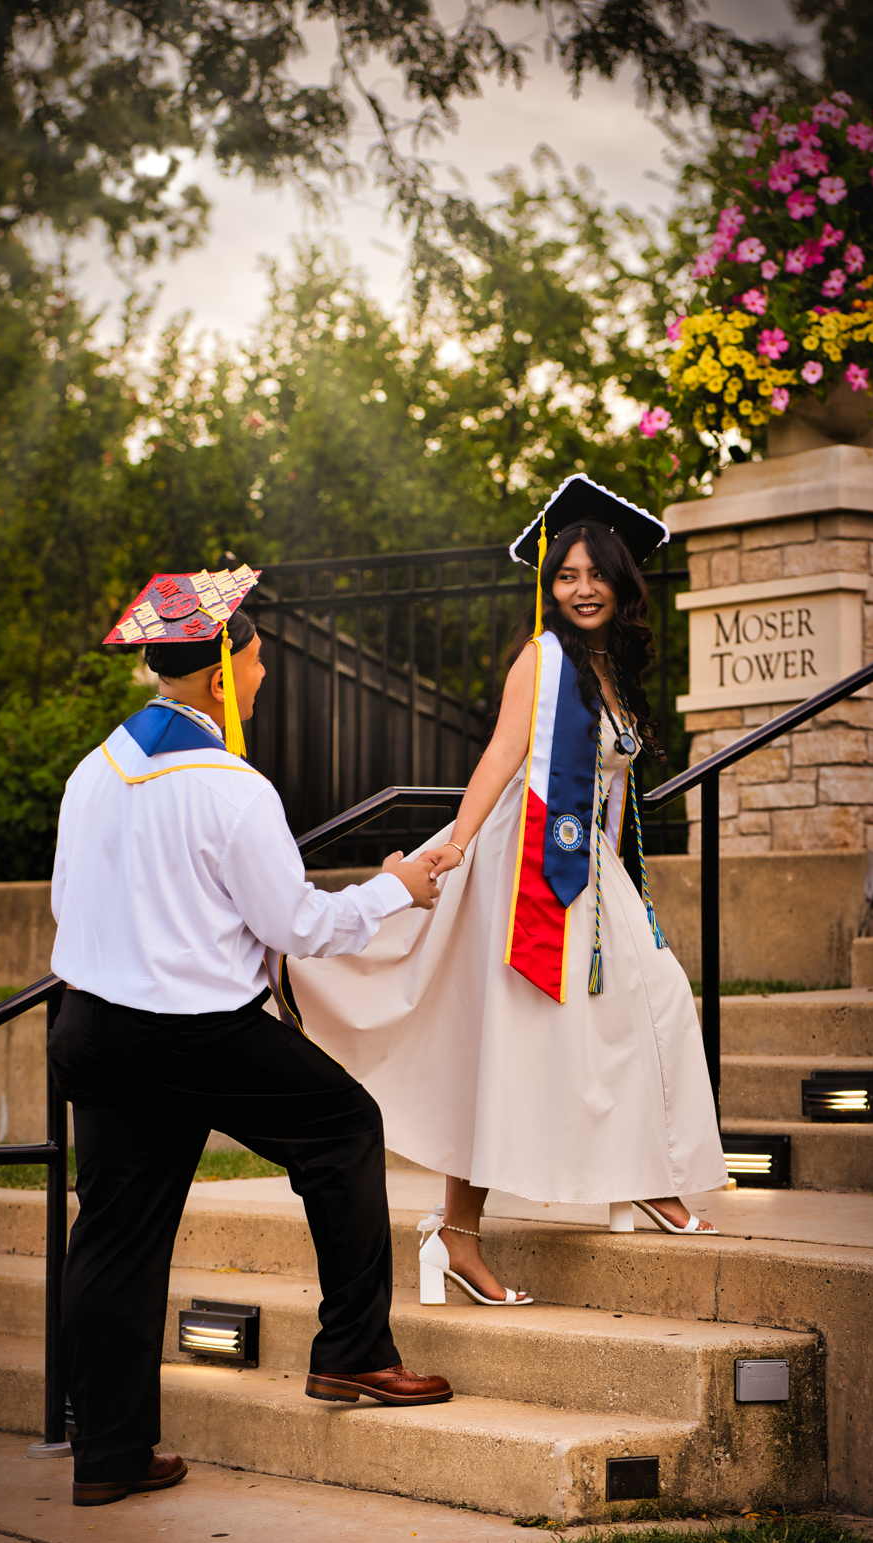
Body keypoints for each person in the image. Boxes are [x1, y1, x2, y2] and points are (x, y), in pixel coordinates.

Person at [47, 566, 450, 1510]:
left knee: (113, 1238)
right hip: (194, 1033)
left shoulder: (92, 772)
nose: (265, 676)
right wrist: (399, 887)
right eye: (259, 659)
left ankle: (107, 1453)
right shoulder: (230, 788)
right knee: (344, 1128)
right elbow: (298, 925)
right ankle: (353, 1353)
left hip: (92, 1027)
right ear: (221, 672)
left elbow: (72, 905)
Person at [287, 476, 727, 1308]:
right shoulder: (545, 657)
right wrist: (456, 844)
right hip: (522, 867)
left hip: (590, 871)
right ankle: (460, 1235)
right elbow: (499, 755)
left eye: (597, 574)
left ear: (623, 583)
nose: (582, 587)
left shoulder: (609, 668)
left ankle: (646, 1175)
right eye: (566, 575)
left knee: (656, 1003)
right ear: (549, 587)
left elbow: (608, 787)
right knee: (502, 1044)